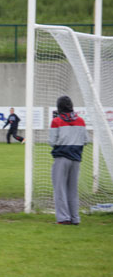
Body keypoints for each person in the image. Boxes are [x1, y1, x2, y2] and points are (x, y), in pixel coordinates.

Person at [49, 96, 88, 225]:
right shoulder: (81, 121)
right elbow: (86, 140)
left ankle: (63, 218)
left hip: (61, 158)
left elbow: (52, 141)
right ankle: (75, 218)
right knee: (72, 189)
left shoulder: (56, 121)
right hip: (76, 158)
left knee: (60, 189)